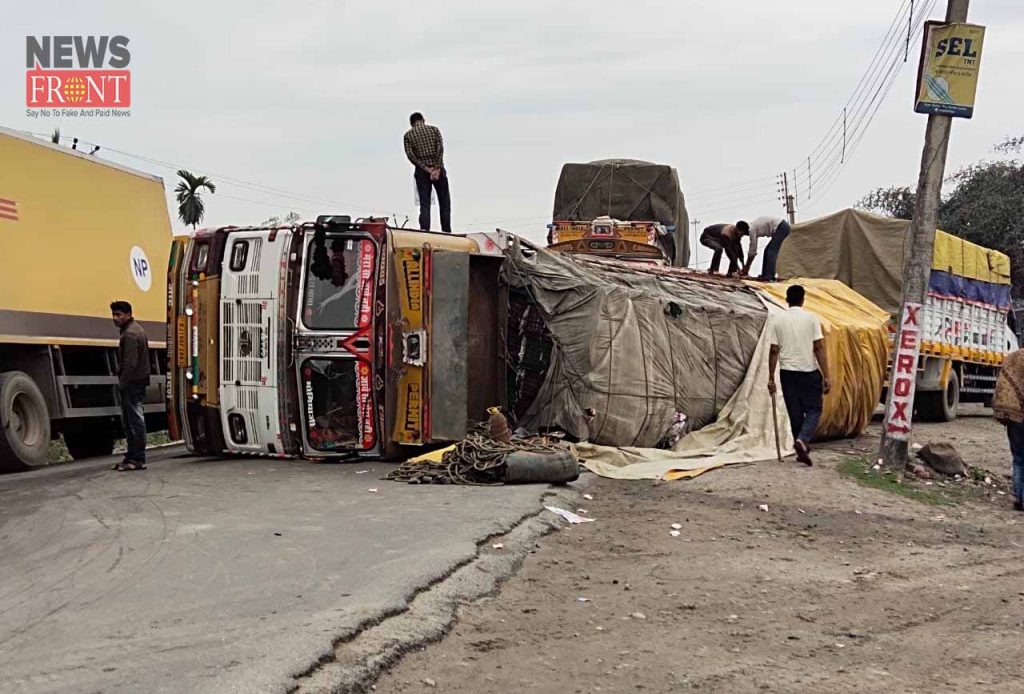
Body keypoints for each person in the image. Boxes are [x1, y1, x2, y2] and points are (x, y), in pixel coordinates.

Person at [767, 285, 831, 465]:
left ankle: (801, 445)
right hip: (808, 371)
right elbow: (818, 347)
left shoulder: (778, 320)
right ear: (803, 299)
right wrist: (826, 375)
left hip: (787, 373)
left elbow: (773, 350)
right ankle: (803, 439)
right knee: (814, 409)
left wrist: (771, 377)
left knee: (794, 412)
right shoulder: (811, 319)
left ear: (787, 299)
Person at [110, 301, 150, 471]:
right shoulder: (134, 330)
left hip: (133, 383)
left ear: (128, 314)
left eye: (118, 315)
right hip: (137, 381)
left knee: (134, 422)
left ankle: (138, 458)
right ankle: (131, 457)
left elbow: (131, 363)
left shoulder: (130, 334)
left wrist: (122, 383)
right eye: (113, 315)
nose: (115, 318)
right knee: (131, 421)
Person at [403, 112, 451, 233]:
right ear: (423, 120)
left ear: (411, 123)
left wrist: (427, 169)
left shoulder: (408, 135)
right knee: (444, 202)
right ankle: (446, 231)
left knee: (425, 204)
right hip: (438, 170)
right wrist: (436, 168)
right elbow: (440, 149)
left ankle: (425, 230)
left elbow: (411, 156)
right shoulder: (434, 130)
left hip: (421, 172)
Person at [993, 347, 1024, 511]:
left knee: (1018, 458)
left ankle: (1019, 498)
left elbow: (1001, 385)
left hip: (1011, 414)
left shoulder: (1011, 358)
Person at [743, 216, 791, 281]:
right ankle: (765, 274)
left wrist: (746, 268)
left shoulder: (751, 230)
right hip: (781, 226)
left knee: (771, 252)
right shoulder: (752, 226)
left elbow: (752, 249)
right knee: (767, 250)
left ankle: (769, 276)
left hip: (781, 227)